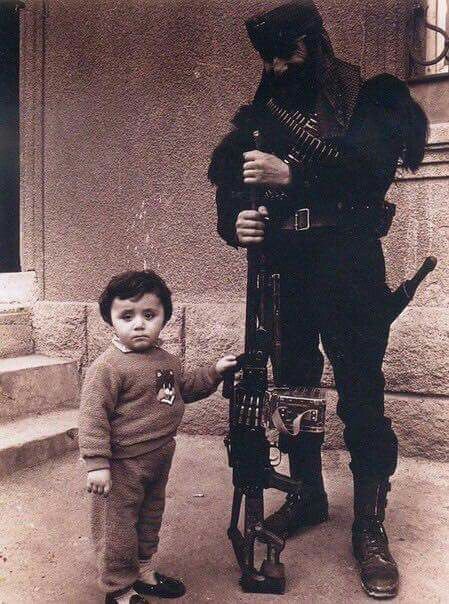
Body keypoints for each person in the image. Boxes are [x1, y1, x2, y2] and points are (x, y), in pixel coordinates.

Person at [208, 0, 428, 598]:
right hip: (287, 267)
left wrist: (294, 176)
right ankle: (307, 494)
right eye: (269, 59)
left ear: (315, 45)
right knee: (295, 385)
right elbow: (232, 182)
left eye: (287, 55)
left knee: (361, 390)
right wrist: (236, 222)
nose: (276, 67)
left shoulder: (369, 99)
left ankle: (370, 525)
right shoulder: (262, 116)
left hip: (349, 263)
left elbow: (371, 172)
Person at [78, 270, 237, 604]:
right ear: (110, 319)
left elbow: (181, 391)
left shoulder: (165, 361)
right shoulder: (107, 368)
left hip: (159, 456)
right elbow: (93, 417)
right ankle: (119, 588)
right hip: (122, 464)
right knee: (117, 527)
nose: (139, 324)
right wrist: (97, 463)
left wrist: (214, 372)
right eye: (127, 316)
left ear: (164, 317)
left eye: (149, 315)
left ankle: (143, 570)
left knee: (150, 517)